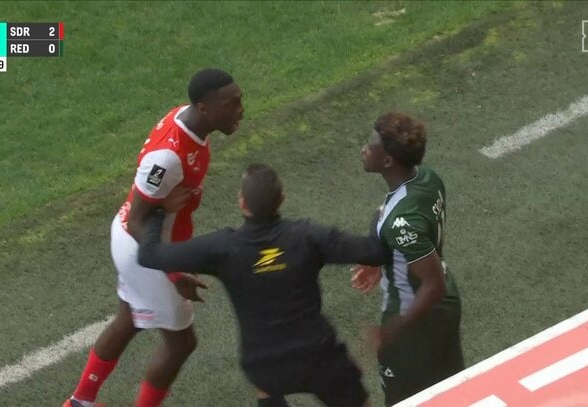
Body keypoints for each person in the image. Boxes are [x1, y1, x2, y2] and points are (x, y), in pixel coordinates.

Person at [137, 163, 391, 407]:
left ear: (242, 203)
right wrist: (379, 214)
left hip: (264, 366)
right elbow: (375, 251)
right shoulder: (308, 236)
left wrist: (159, 211)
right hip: (319, 357)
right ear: (282, 199)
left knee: (266, 385)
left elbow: (148, 255)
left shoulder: (223, 248)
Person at [64, 69, 244, 407]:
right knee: (181, 344)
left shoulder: (188, 121)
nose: (240, 110)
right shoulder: (167, 158)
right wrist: (174, 273)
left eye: (240, 100)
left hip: (144, 242)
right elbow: (137, 220)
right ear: (204, 108)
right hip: (145, 250)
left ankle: (79, 402)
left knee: (129, 319)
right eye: (232, 104)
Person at [351, 112, 465, 406]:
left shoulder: (401, 223)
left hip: (414, 317)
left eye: (370, 145)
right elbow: (387, 214)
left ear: (388, 160)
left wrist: (391, 331)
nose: (363, 149)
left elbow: (433, 285)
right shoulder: (428, 178)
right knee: (452, 392)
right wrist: (379, 258)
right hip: (446, 306)